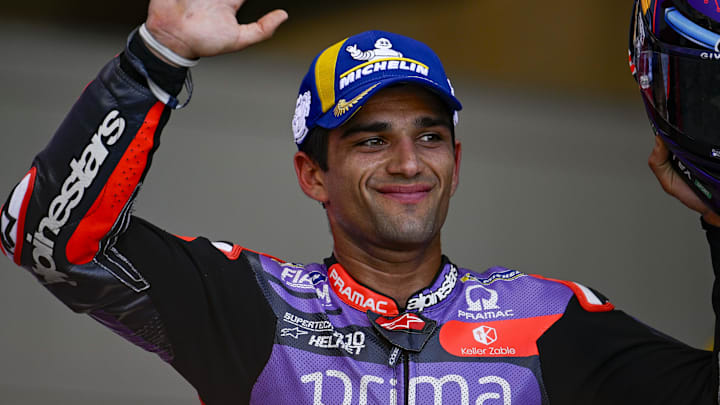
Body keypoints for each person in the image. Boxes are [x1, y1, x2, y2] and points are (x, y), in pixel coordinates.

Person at [1, 0, 719, 403]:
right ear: (313, 174)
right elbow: (46, 236)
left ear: (456, 162)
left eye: (429, 136)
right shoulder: (253, 306)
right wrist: (155, 56)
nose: (409, 162)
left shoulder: (549, 318)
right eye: (372, 141)